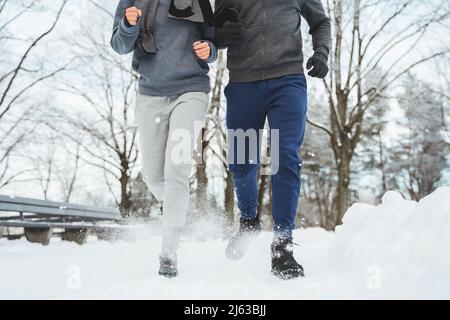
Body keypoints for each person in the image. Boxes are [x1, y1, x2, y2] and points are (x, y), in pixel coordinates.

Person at [214, 0, 331, 279]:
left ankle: (282, 245)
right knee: (241, 163)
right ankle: (248, 220)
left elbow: (320, 21)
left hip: (287, 81)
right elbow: (213, 31)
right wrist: (220, 35)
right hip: (243, 84)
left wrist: (321, 53)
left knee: (285, 156)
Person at [111, 0, 217, 278]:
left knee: (177, 169)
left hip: (191, 90)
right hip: (150, 94)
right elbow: (120, 45)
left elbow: (214, 39)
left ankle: (168, 253)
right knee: (153, 175)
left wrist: (210, 50)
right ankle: (175, 207)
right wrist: (128, 24)